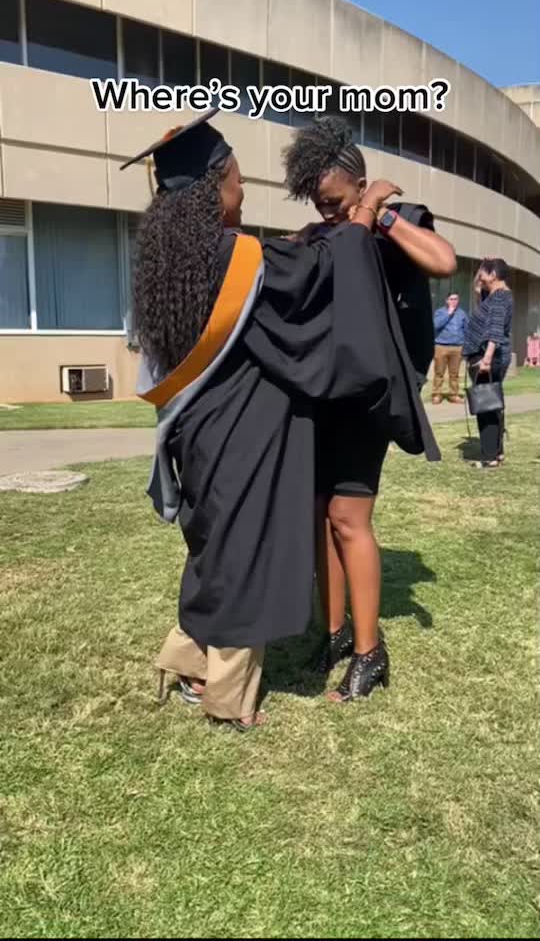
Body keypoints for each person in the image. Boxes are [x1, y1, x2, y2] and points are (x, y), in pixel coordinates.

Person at [122, 110, 439, 730]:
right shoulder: (234, 257)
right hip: (240, 435)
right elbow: (312, 277)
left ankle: (189, 665)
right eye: (237, 180)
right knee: (243, 554)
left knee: (212, 551)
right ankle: (228, 698)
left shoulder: (171, 263)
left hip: (197, 433)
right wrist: (362, 218)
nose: (242, 191)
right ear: (213, 187)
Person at [283, 116, 455, 699]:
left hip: (370, 396)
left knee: (348, 518)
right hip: (323, 394)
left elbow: (443, 261)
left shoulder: (395, 223)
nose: (328, 212)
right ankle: (333, 634)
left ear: (360, 186)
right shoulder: (324, 232)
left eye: (336, 201)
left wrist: (379, 215)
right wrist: (334, 226)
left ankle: (368, 651)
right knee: (319, 514)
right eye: (319, 203)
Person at [463, 258, 513, 469]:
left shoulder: (499, 297)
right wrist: (483, 266)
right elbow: (477, 287)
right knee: (492, 402)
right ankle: (496, 452)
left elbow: (495, 330)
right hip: (488, 356)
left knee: (486, 405)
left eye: (483, 272)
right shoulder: (492, 295)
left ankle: (489, 456)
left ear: (493, 275)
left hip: (487, 358)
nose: (480, 277)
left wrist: (486, 360)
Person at [432, 292, 469, 404]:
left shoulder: (462, 313)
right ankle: (437, 394)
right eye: (451, 299)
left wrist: (466, 345)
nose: (454, 301)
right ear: (446, 300)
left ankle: (454, 395)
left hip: (457, 347)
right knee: (439, 372)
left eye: (456, 299)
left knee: (454, 374)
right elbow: (436, 325)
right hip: (441, 346)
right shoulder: (440, 312)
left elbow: (467, 329)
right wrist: (448, 313)